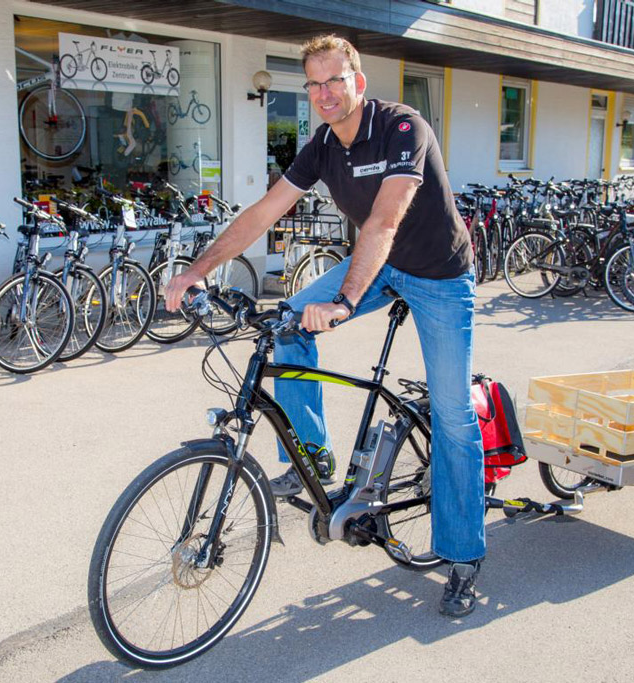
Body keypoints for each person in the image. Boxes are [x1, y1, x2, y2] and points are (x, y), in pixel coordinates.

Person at [164, 34, 486, 618]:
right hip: (381, 265)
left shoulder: (402, 128)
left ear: (357, 82)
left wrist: (343, 301)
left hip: (439, 274)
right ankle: (313, 461)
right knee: (286, 327)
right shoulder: (322, 146)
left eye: (335, 80)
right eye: (313, 83)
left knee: (454, 415)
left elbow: (385, 221)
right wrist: (196, 271)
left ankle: (463, 556)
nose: (324, 93)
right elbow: (264, 211)